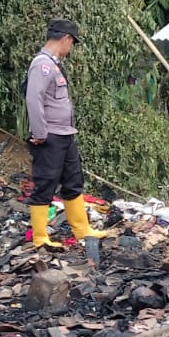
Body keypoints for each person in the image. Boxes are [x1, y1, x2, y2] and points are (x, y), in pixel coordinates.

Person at [24, 17, 109, 249]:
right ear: (66, 39)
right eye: (72, 43)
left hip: (65, 134)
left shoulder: (53, 64)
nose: (71, 48)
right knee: (46, 182)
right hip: (49, 135)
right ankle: (40, 236)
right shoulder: (42, 64)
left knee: (73, 180)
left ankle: (82, 230)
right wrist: (40, 133)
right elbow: (34, 98)